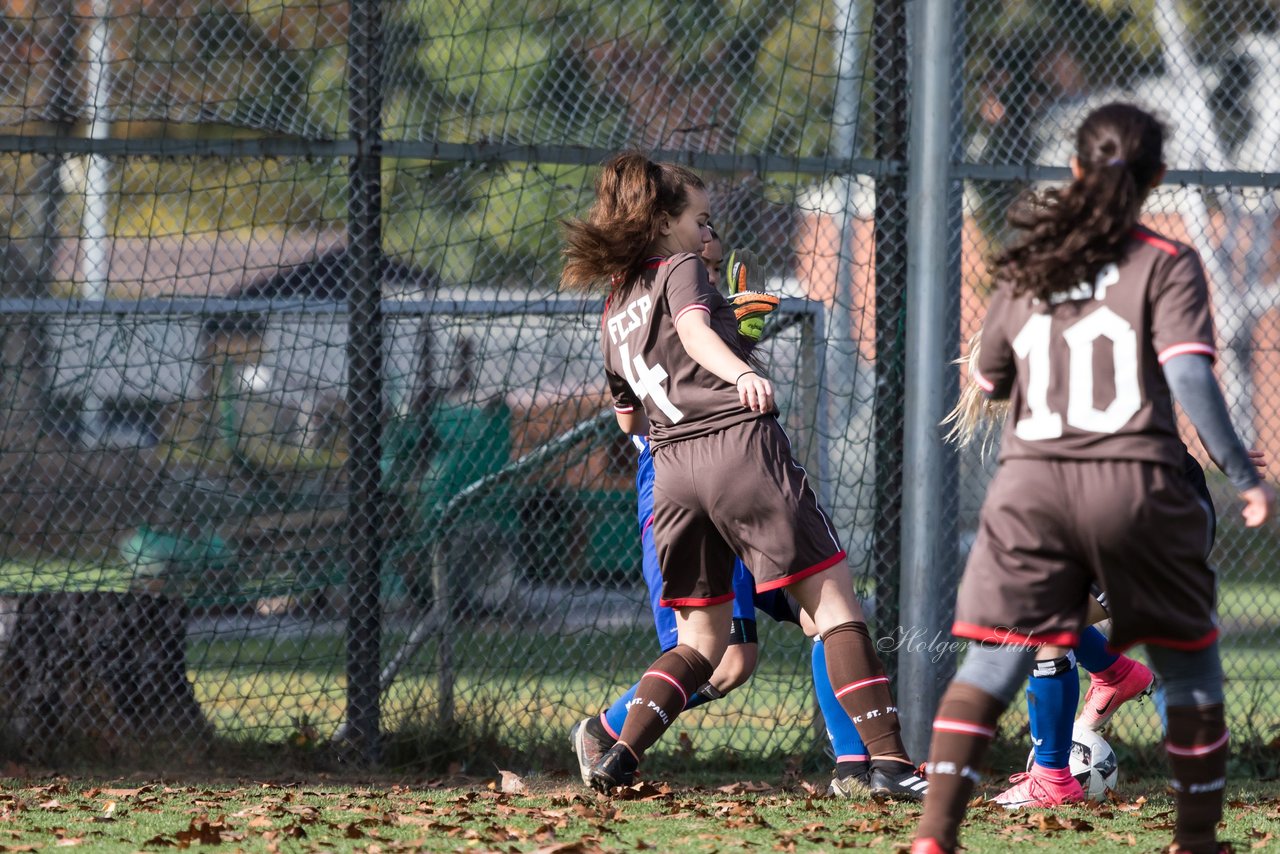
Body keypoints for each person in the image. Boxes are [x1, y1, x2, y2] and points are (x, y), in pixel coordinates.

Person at [910, 102, 1275, 854]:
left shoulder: (1026, 267)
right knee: (1188, 662)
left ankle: (936, 837)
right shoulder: (1166, 263)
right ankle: (1191, 834)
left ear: (1076, 169)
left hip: (1035, 490)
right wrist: (1244, 472)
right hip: (1140, 487)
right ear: (1158, 180)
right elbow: (1194, 383)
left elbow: (985, 380)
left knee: (996, 652)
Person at [561, 151, 926, 798]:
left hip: (671, 474)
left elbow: (628, 424)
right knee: (836, 605)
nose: (708, 233)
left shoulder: (613, 309)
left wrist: (726, 340)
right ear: (664, 220)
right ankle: (892, 765)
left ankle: (620, 754)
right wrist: (740, 369)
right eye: (700, 219)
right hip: (738, 454)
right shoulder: (681, 269)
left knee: (704, 645)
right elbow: (696, 334)